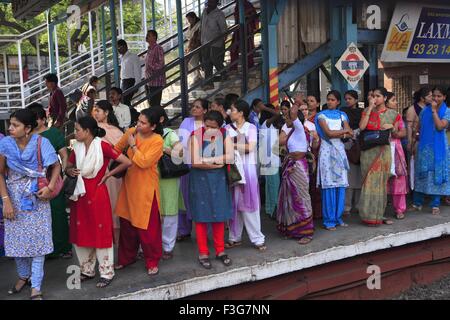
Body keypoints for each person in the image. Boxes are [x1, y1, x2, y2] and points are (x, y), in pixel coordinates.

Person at [0, 109, 61, 300]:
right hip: (14, 200)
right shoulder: (5, 144)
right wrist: (6, 202)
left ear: (27, 128)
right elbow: (0, 174)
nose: (10, 128)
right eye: (10, 124)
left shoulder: (42, 143)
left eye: (15, 125)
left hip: (37, 198)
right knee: (17, 242)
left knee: (38, 242)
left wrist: (50, 187)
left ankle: (36, 285)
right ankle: (23, 276)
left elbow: (56, 165)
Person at [66, 116, 131, 288]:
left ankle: (106, 272)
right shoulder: (76, 147)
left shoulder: (102, 146)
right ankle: (87, 269)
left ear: (87, 131)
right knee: (82, 232)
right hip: (79, 195)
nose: (75, 132)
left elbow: (127, 162)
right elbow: (68, 165)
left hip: (97, 194)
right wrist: (70, 170)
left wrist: (108, 174)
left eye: (77, 129)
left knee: (101, 233)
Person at [114, 108, 164, 275]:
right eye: (138, 121)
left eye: (143, 123)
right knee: (127, 227)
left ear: (153, 126)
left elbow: (144, 162)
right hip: (129, 186)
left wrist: (133, 145)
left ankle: (152, 261)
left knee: (148, 230)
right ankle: (126, 258)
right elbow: (116, 150)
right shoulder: (131, 132)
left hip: (146, 190)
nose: (138, 125)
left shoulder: (157, 141)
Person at [189, 110, 233, 268]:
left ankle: (220, 250)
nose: (208, 130)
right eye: (206, 125)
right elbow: (194, 162)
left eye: (212, 127)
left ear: (219, 126)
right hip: (200, 181)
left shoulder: (225, 134)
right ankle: (203, 252)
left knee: (219, 214)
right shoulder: (195, 135)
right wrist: (216, 163)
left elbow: (230, 157)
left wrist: (207, 159)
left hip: (218, 181)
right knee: (201, 216)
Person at [27, 103, 71, 259]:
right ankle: (44, 249)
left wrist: (64, 175)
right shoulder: (27, 135)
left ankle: (63, 247)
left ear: (43, 119)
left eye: (35, 119)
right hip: (33, 182)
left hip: (52, 180)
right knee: (38, 217)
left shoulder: (53, 134)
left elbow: (64, 155)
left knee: (57, 214)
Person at [226, 100, 266, 251]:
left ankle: (257, 238)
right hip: (234, 170)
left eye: (233, 110)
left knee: (250, 205)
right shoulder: (226, 128)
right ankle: (234, 237)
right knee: (234, 205)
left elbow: (250, 148)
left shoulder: (251, 127)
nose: (230, 112)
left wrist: (232, 144)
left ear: (241, 113)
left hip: (248, 170)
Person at [359, 87, 401, 226]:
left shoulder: (393, 114)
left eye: (378, 96)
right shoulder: (366, 111)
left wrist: (392, 127)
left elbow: (399, 134)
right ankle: (367, 215)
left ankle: (379, 215)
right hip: (368, 153)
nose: (374, 99)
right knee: (369, 183)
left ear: (384, 98)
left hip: (384, 152)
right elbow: (362, 127)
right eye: (373, 96)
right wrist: (370, 108)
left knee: (381, 184)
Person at [276, 103, 314, 243]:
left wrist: (297, 103)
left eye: (287, 118)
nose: (285, 121)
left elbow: (293, 113)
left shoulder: (299, 129)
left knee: (302, 197)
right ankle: (293, 229)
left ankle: (306, 232)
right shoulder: (292, 131)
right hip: (291, 166)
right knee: (290, 198)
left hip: (298, 167)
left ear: (294, 119)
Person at [410, 87, 450, 215]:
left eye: (439, 96)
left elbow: (440, 127)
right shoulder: (423, 111)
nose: (436, 99)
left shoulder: (447, 111)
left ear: (444, 97)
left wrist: (433, 111)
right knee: (421, 173)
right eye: (434, 96)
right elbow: (418, 127)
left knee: (436, 174)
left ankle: (435, 204)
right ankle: (417, 203)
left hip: (439, 149)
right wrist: (416, 136)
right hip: (424, 148)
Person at [315, 91, 352, 230]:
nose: (330, 102)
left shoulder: (343, 115)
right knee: (329, 185)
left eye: (332, 100)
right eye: (328, 99)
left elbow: (348, 131)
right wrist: (344, 131)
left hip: (340, 152)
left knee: (340, 185)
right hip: (327, 151)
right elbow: (328, 134)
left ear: (338, 102)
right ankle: (329, 220)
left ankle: (338, 217)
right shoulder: (321, 116)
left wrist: (343, 132)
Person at [153, 106, 184, 260]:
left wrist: (164, 149)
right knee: (151, 213)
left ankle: (168, 246)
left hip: (168, 178)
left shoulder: (169, 134)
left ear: (160, 120)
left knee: (169, 212)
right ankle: (151, 245)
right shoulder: (143, 134)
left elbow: (180, 153)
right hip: (149, 178)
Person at [93, 100, 125, 243]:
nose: (95, 113)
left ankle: (116, 241)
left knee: (114, 204)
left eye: (98, 110)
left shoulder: (114, 130)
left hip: (111, 171)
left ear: (106, 113)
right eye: (94, 110)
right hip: (95, 171)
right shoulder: (91, 129)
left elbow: (121, 150)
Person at [177, 99, 208, 241]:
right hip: (188, 164)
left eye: (197, 107)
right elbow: (183, 143)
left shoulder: (209, 123)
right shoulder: (186, 122)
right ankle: (184, 230)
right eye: (193, 107)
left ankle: (204, 231)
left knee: (202, 198)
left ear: (205, 111)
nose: (194, 109)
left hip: (204, 165)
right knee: (185, 196)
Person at [385, 92, 408, 219]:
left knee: (398, 179)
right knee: (381, 180)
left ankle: (399, 209)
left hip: (396, 149)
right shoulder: (377, 115)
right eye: (393, 100)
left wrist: (393, 130)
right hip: (381, 149)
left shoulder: (397, 116)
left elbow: (402, 133)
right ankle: (379, 209)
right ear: (386, 101)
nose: (396, 102)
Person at [340, 90, 363, 217]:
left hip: (359, 146)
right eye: (346, 98)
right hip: (346, 146)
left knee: (359, 177)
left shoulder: (362, 112)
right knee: (348, 177)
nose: (348, 101)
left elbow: (363, 127)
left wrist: (355, 133)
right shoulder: (342, 112)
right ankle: (347, 206)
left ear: (355, 99)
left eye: (350, 98)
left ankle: (358, 205)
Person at [259, 104, 281, 218]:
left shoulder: (268, 125)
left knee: (270, 186)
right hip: (271, 161)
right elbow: (278, 114)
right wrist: (265, 108)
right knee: (274, 186)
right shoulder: (266, 124)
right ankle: (274, 211)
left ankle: (270, 209)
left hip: (269, 160)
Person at [200, 0, 228, 90]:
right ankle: (209, 83)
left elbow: (224, 28)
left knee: (215, 58)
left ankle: (224, 73)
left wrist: (224, 37)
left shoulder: (219, 14)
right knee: (206, 62)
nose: (210, 3)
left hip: (215, 41)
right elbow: (201, 25)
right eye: (209, 1)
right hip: (204, 41)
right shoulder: (204, 11)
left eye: (213, 1)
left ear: (216, 3)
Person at [305, 95, 322, 219]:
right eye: (308, 101)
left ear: (317, 104)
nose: (309, 103)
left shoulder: (319, 118)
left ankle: (317, 212)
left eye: (312, 101)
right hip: (303, 153)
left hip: (316, 152)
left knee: (315, 184)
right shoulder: (302, 119)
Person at [230, 0, 258, 72]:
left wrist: (254, 27)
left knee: (247, 48)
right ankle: (233, 68)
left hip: (247, 29)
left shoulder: (247, 4)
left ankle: (250, 67)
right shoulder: (238, 5)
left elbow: (254, 17)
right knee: (234, 49)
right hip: (238, 29)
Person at [144, 30, 166, 107]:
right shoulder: (149, 49)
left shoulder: (158, 48)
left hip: (156, 81)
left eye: (149, 35)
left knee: (154, 104)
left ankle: (163, 118)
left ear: (154, 37)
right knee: (151, 104)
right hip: (149, 81)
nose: (147, 36)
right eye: (147, 35)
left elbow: (161, 64)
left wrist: (151, 66)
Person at [117, 39, 142, 107]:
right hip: (123, 82)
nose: (118, 50)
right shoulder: (122, 58)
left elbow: (137, 71)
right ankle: (131, 115)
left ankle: (132, 115)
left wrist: (137, 84)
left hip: (130, 82)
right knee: (123, 101)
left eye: (119, 48)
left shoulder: (133, 56)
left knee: (125, 101)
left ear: (124, 46)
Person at [185, 12, 203, 85]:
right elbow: (189, 36)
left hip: (197, 44)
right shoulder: (191, 26)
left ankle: (197, 76)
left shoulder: (199, 24)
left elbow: (196, 37)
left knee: (193, 60)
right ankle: (197, 76)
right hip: (191, 44)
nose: (189, 21)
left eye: (190, 19)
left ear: (194, 18)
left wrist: (191, 46)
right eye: (188, 19)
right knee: (191, 61)